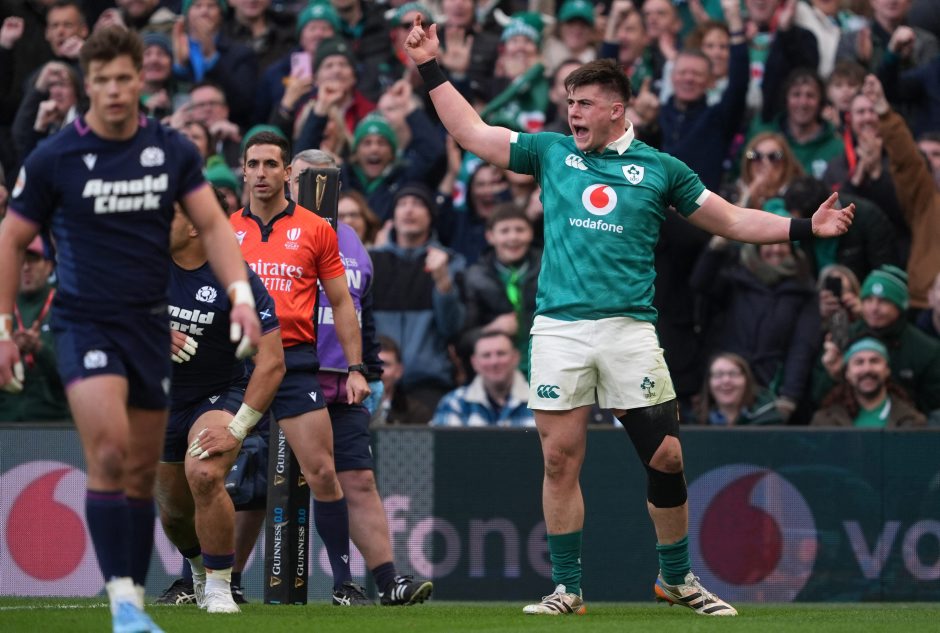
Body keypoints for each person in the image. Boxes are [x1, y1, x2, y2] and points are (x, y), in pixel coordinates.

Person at [403, 19, 854, 616]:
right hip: (559, 328)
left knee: (667, 457)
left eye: (584, 104)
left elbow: (730, 219)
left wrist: (804, 227)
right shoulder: (551, 152)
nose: (572, 113)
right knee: (559, 459)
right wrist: (429, 65)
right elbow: (471, 132)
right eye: (569, 103)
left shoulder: (662, 169)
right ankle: (567, 589)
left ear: (617, 110)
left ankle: (676, 579)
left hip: (630, 330)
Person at [0, 26, 261, 633]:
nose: (115, 90)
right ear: (86, 85)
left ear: (140, 80)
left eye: (124, 78)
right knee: (111, 453)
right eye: (103, 80)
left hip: (149, 324)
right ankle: (124, 601)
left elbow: (214, 227)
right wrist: (4, 328)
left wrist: (241, 296)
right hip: (86, 322)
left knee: (143, 474)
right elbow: (11, 239)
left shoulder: (170, 150)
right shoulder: (54, 157)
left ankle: (133, 599)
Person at [229, 130, 372, 605]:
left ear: (288, 172)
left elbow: (342, 303)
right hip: (235, 366)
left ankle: (343, 584)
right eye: (254, 164)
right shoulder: (226, 230)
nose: (262, 173)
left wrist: (355, 367)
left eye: (272, 164)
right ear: (243, 170)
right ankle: (212, 582)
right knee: (215, 476)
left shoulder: (315, 228)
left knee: (323, 472)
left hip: (293, 363)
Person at [289, 148, 434, 606]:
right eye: (309, 179)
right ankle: (220, 579)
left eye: (328, 180)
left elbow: (360, 313)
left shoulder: (351, 240)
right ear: (291, 182)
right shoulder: (271, 233)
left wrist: (367, 371)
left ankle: (388, 581)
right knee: (254, 488)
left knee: (359, 482)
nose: (319, 188)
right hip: (281, 378)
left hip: (341, 383)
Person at [155, 199, 284, 614]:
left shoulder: (236, 279)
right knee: (174, 514)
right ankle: (197, 569)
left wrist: (237, 428)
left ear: (195, 226)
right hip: (160, 399)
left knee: (205, 473)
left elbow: (272, 362)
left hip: (218, 393)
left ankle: (219, 587)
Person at [370, 183, 466, 411]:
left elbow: (452, 328)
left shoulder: (451, 262)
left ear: (431, 216)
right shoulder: (371, 261)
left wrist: (443, 282)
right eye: (402, 204)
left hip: (429, 382)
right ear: (393, 216)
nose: (409, 210)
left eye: (418, 204)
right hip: (377, 380)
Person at [0, 236, 69, 422]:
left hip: (54, 422)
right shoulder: (3, 308)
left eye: (33, 260)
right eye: (20, 261)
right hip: (5, 420)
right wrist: (10, 350)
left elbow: (76, 377)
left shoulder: (66, 308)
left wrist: (39, 349)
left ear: (49, 266)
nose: (25, 267)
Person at [811, 338, 926, 428]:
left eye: (874, 361)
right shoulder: (824, 421)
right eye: (859, 362)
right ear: (847, 373)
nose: (867, 369)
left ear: (887, 370)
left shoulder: (912, 420)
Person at [432, 331, 535, 427]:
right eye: (486, 355)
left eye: (501, 353)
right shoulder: (454, 404)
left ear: (515, 358)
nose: (494, 362)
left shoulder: (538, 402)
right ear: (474, 362)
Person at [690, 353, 784, 426]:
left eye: (733, 374)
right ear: (709, 383)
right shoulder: (694, 423)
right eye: (718, 375)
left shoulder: (769, 421)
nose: (726, 380)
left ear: (747, 381)